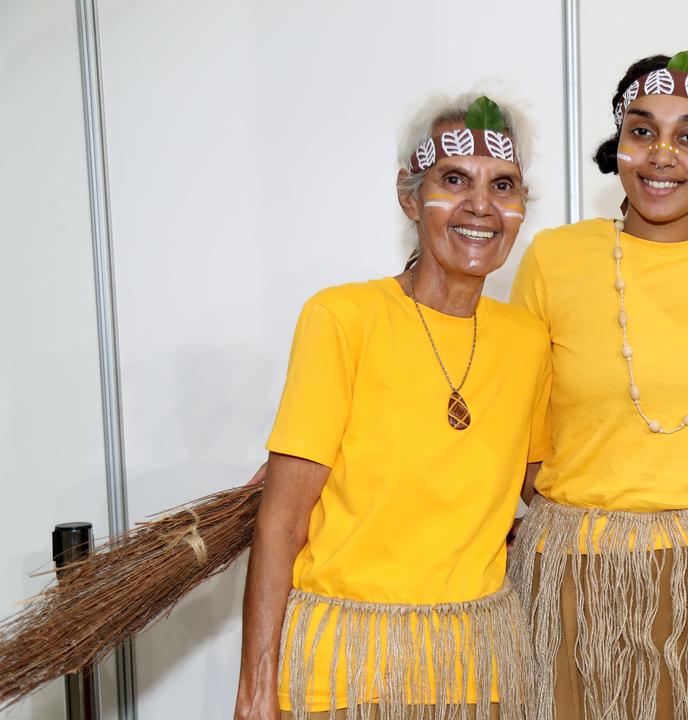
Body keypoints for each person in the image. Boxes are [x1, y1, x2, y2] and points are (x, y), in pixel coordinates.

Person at [234, 95, 550, 720]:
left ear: (519, 209)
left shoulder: (528, 340)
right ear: (410, 197)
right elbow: (281, 525)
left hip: (477, 673)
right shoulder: (342, 319)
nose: (481, 206)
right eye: (454, 180)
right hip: (344, 673)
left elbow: (544, 486)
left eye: (502, 185)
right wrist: (255, 692)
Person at [506, 48, 688, 720]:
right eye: (642, 130)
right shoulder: (555, 257)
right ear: (619, 144)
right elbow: (511, 414)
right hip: (575, 569)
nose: (663, 154)